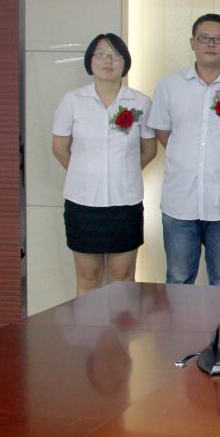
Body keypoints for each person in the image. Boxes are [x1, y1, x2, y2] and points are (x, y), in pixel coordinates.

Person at [148, 14, 220, 287]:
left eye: (219, 39)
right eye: (204, 38)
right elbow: (163, 132)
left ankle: (219, 320)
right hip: (179, 203)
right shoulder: (169, 85)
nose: (211, 44)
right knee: (178, 279)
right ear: (192, 42)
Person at [52, 33, 157, 296]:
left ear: (125, 62)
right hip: (82, 203)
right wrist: (86, 174)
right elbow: (60, 148)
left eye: (115, 55)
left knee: (122, 278)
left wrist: (121, 173)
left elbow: (149, 151)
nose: (108, 61)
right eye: (101, 54)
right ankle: (88, 325)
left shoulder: (141, 103)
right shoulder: (72, 101)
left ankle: (122, 326)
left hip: (125, 203)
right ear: (90, 60)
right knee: (89, 277)